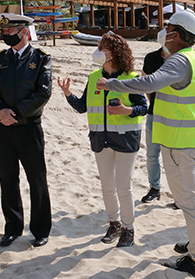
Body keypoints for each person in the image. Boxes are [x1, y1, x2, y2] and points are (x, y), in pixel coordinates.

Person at [97, 10, 195, 278]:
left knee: (188, 200)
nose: (164, 32)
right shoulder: (190, 57)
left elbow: (149, 82)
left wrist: (112, 84)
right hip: (184, 138)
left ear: (177, 34)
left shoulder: (179, 61)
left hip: (178, 142)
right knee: (189, 196)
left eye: (169, 28)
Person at [58, 33, 147, 247]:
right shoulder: (93, 77)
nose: (98, 51)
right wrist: (68, 93)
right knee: (107, 187)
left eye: (102, 48)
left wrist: (126, 110)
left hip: (126, 140)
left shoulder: (130, 77)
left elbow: (143, 107)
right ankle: (114, 224)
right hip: (101, 140)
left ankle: (128, 229)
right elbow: (82, 107)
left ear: (114, 53)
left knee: (123, 187)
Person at [0, 13, 52, 248]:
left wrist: (17, 113)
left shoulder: (41, 59)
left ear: (24, 32)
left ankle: (40, 229)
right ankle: (12, 227)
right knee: (7, 178)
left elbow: (43, 92)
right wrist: (0, 110)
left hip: (28, 127)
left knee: (37, 179)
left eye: (10, 31)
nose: (5, 35)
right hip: (2, 127)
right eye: (4, 31)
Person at [139, 47, 176, 208]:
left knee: (174, 157)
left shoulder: (180, 58)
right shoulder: (151, 58)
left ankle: (179, 194)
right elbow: (145, 82)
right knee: (152, 154)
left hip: (175, 116)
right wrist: (152, 102)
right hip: (154, 113)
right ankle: (154, 188)